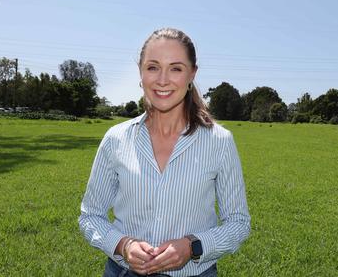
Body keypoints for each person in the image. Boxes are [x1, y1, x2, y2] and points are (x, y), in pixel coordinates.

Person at [79, 28, 250, 277]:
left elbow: (238, 222)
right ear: (140, 72)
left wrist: (193, 246)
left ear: (192, 74)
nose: (162, 80)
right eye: (153, 67)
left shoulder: (219, 141)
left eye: (176, 68)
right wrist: (123, 245)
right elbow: (90, 216)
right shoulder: (116, 139)